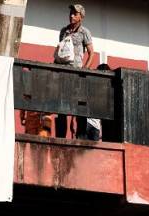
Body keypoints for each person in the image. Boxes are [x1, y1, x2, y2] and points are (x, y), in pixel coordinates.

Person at [54, 4, 95, 138]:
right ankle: (60, 137)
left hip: (77, 74)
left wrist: (85, 70)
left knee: (79, 107)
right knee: (62, 108)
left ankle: (81, 137)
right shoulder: (63, 31)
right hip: (63, 73)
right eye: (71, 13)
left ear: (81, 17)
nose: (71, 15)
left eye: (75, 14)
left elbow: (91, 53)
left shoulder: (84, 32)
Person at [76, 63, 111, 141]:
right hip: (92, 125)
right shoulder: (105, 89)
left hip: (90, 124)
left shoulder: (92, 84)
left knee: (82, 148)